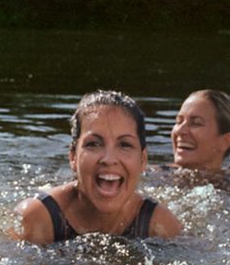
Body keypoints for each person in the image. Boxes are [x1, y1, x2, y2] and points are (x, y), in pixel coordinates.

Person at [14, 90, 182, 246]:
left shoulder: (158, 224)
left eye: (125, 145)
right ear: (73, 156)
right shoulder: (37, 219)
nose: (109, 159)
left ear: (143, 160)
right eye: (93, 144)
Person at [170, 89, 230, 175]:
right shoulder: (152, 174)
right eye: (179, 121)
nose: (180, 130)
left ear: (225, 141)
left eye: (196, 123)